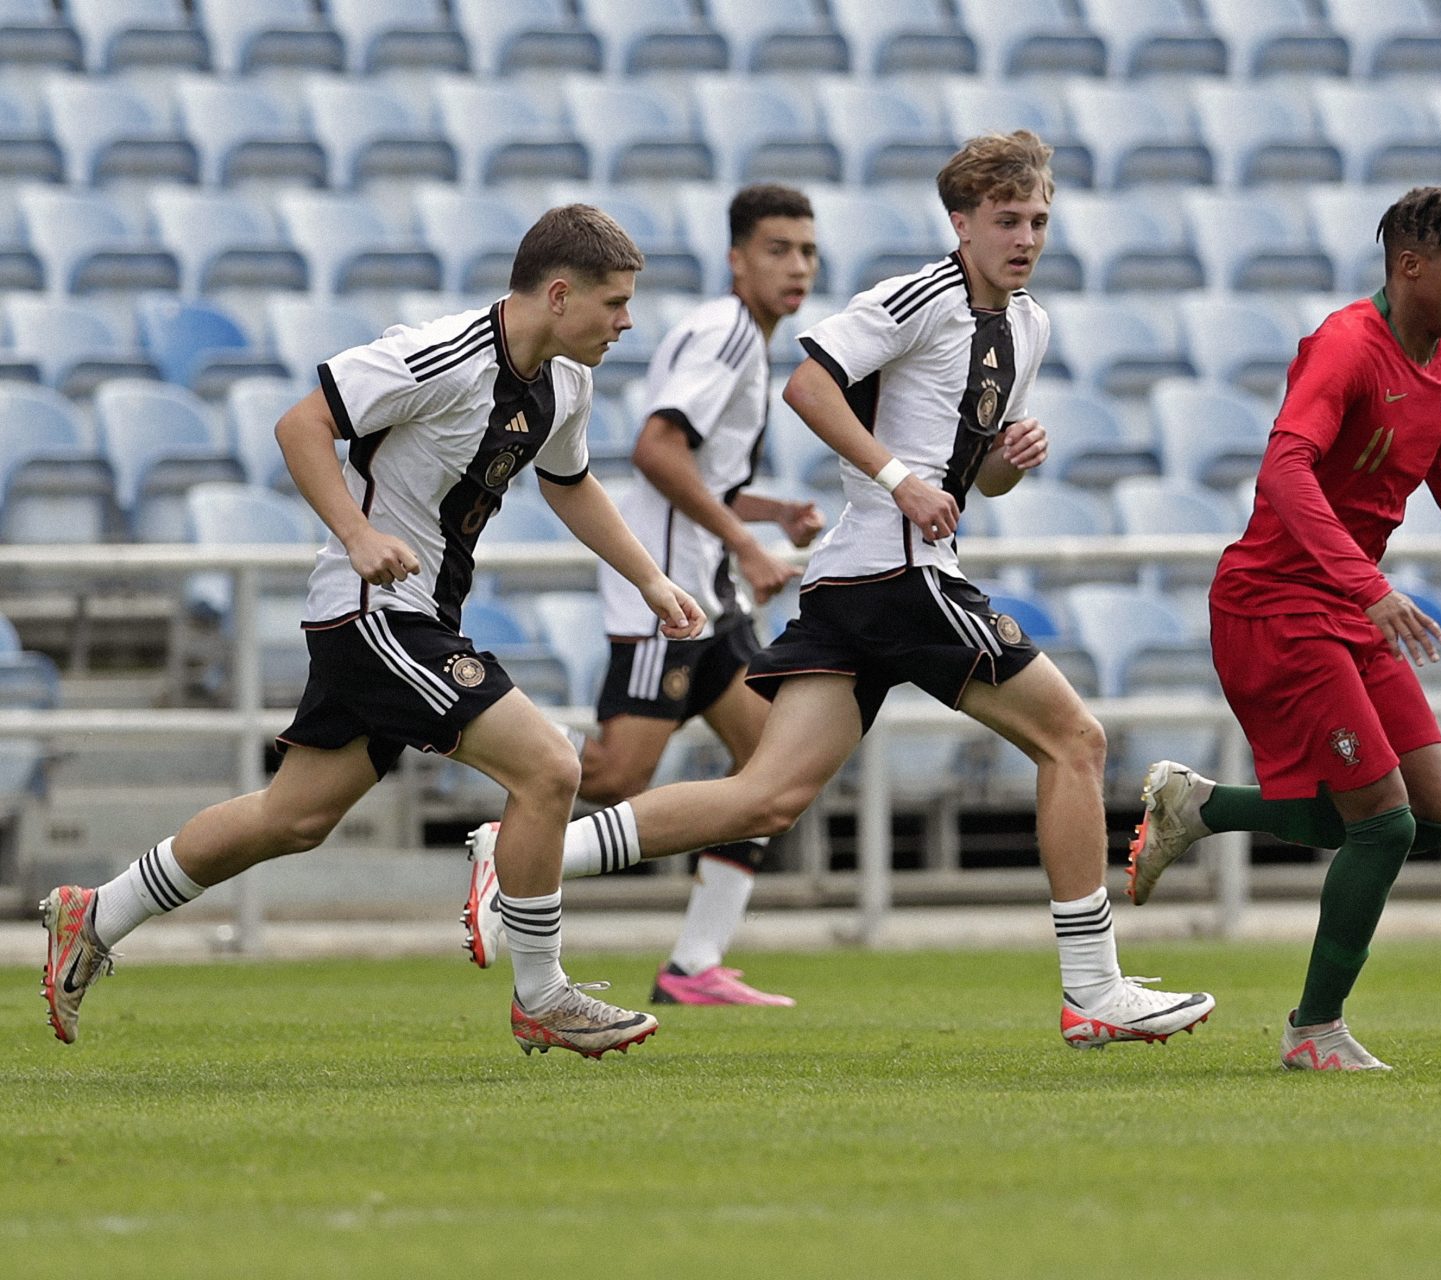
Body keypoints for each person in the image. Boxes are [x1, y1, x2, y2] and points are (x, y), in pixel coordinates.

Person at [469, 131, 1214, 1048]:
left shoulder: (1029, 325)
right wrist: (897, 476)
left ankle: (521, 865)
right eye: (1008, 220)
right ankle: (1093, 990)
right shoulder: (917, 296)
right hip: (897, 573)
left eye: (1040, 221)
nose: (1027, 237)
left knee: (763, 799)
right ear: (963, 223)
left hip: (857, 586)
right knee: (1076, 740)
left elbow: (976, 477)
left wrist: (1012, 462)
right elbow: (812, 389)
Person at [40, 205, 706, 1058]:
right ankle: (543, 995)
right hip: (375, 617)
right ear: (560, 293)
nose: (627, 322)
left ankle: (96, 913)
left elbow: (569, 484)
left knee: (294, 817)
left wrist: (647, 578)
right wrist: (357, 537)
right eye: (615, 303)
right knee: (549, 767)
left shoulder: (565, 380)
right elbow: (300, 424)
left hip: (413, 616)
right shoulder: (441, 354)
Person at [1128, 186, 1441, 1071]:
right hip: (1274, 606)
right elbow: (1284, 468)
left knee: (1432, 823)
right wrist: (1368, 583)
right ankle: (1314, 1031)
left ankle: (1199, 807)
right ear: (1409, 267)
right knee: (1381, 827)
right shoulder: (1348, 346)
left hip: (1342, 609)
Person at [463, 185, 824, 1007]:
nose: (796, 266)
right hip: (676, 595)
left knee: (778, 769)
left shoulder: (748, 341)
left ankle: (695, 963)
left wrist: (764, 511)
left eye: (806, 250)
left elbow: (701, 470)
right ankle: (508, 842)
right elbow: (659, 452)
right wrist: (747, 543)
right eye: (777, 249)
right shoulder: (729, 334)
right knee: (619, 774)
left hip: (713, 597)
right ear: (737, 259)